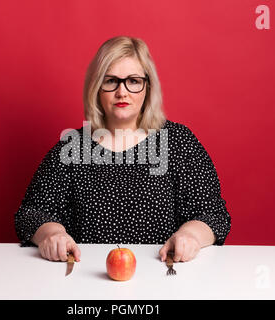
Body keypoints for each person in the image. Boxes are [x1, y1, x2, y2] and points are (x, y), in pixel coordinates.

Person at [14, 36, 231, 264]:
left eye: (133, 81)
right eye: (111, 81)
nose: (122, 92)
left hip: (164, 274)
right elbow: (31, 213)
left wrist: (191, 235)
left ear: (148, 86)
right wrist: (52, 234)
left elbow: (213, 215)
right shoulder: (73, 147)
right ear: (97, 87)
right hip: (85, 277)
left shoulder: (178, 141)